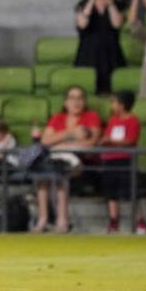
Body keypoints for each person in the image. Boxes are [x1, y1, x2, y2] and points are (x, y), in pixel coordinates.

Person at [35, 86, 102, 234]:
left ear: (84, 101)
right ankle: (43, 219)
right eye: (72, 98)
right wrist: (70, 133)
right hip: (56, 158)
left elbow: (91, 142)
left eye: (80, 98)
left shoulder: (91, 116)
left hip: (82, 162)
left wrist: (61, 143)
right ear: (65, 102)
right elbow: (45, 141)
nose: (76, 102)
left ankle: (62, 220)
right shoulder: (58, 118)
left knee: (61, 174)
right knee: (42, 176)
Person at [98, 91, 146, 234]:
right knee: (110, 191)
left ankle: (140, 221)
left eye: (114, 102)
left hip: (125, 160)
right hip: (109, 160)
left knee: (131, 192)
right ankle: (114, 221)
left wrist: (111, 141)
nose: (112, 105)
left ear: (122, 104)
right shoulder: (112, 120)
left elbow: (130, 141)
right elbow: (106, 136)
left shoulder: (133, 120)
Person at [74, 0, 125, 94]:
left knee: (114, 92)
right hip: (88, 55)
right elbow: (82, 24)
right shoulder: (83, 4)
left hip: (112, 54)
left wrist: (110, 3)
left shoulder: (116, 3)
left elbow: (117, 24)